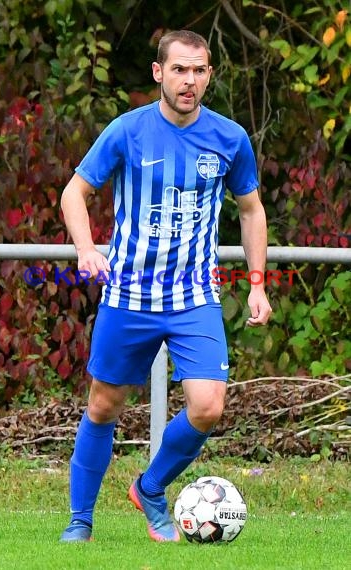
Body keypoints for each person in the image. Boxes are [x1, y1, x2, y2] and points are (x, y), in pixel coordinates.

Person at [59, 29, 272, 543]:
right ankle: (80, 522)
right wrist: (88, 250)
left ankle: (150, 487)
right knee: (103, 405)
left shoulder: (229, 138)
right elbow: (75, 192)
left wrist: (258, 284)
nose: (189, 80)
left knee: (208, 405)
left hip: (193, 295)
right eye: (179, 70)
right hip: (129, 293)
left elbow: (251, 210)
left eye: (199, 71)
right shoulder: (127, 131)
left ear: (209, 75)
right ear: (159, 73)